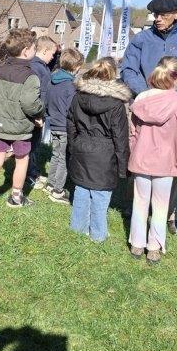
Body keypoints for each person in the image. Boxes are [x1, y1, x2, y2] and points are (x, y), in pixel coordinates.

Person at [120, 0, 177, 236]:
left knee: (172, 158)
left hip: (175, 108)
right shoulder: (142, 39)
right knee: (139, 152)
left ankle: (171, 214)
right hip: (144, 105)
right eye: (155, 15)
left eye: (163, 15)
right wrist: (147, 95)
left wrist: (175, 97)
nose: (157, 19)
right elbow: (128, 69)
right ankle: (134, 207)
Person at [127, 57, 177, 264]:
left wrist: (133, 152)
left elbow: (133, 133)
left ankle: (137, 244)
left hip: (141, 156)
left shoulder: (141, 100)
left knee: (139, 201)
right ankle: (154, 247)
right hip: (166, 161)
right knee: (161, 205)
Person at [0, 28, 44, 213]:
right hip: (20, 128)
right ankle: (16, 197)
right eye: (35, 47)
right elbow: (30, 103)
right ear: (27, 50)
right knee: (21, 160)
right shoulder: (31, 76)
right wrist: (38, 114)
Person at [67, 58, 131, 242]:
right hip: (105, 153)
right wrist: (123, 166)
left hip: (82, 147)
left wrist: (73, 146)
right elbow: (120, 137)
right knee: (100, 195)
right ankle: (98, 234)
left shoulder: (78, 97)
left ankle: (77, 228)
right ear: (113, 75)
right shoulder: (116, 105)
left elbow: (70, 124)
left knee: (81, 190)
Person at [44, 47, 85, 203]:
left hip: (53, 124)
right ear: (75, 67)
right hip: (65, 127)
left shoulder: (52, 80)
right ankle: (57, 190)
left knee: (56, 155)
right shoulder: (70, 86)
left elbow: (46, 101)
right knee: (64, 158)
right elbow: (72, 109)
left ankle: (51, 182)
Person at [27, 36, 56, 189]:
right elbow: (37, 94)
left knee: (34, 145)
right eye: (52, 54)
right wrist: (38, 115)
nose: (53, 57)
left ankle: (33, 171)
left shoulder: (40, 66)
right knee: (31, 145)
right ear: (44, 50)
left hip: (37, 114)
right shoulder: (37, 68)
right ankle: (30, 175)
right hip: (35, 115)